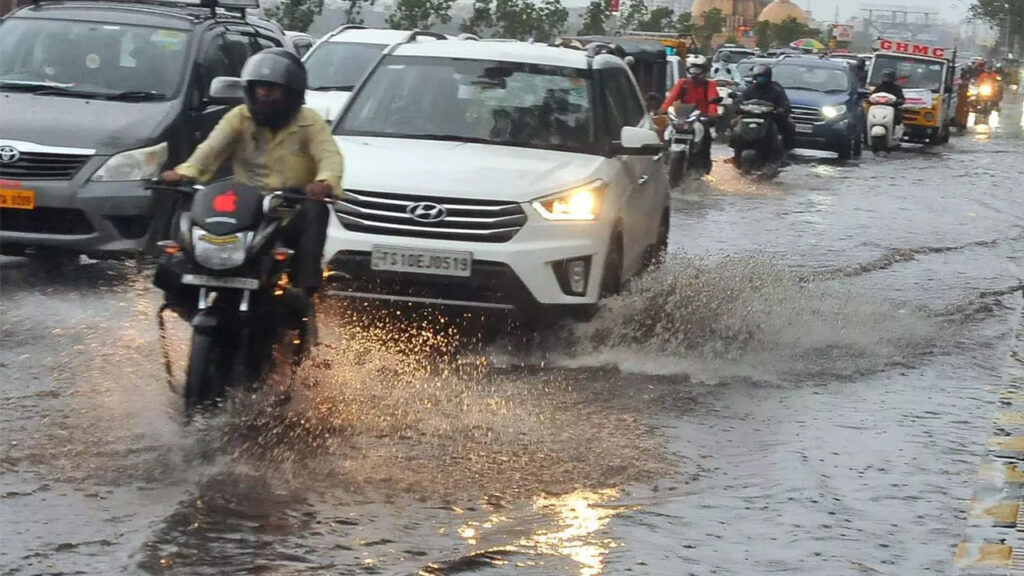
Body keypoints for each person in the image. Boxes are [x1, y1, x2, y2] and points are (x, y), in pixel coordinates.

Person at [160, 48, 343, 297]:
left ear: (291, 93)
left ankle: (304, 289)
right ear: (250, 89)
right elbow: (211, 149)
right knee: (186, 200)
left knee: (316, 211)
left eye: (273, 88)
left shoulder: (310, 122)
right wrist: (184, 173)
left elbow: (329, 156)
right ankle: (178, 277)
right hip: (246, 212)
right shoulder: (238, 117)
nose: (265, 94)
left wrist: (324, 183)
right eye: (260, 87)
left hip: (288, 212)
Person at [660, 54, 719, 173]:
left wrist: (711, 114)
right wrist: (662, 110)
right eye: (692, 70)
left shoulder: (710, 84)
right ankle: (663, 157)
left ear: (704, 71)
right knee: (663, 130)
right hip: (682, 116)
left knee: (706, 136)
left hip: (701, 118)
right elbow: (671, 97)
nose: (695, 73)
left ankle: (703, 166)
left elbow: (712, 99)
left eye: (698, 70)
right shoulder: (683, 83)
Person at [737, 64, 795, 154]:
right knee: (734, 124)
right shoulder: (749, 89)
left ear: (768, 77)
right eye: (758, 77)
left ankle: (786, 149)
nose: (760, 79)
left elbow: (785, 104)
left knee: (789, 125)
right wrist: (738, 106)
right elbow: (741, 101)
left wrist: (782, 109)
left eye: (762, 77)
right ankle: (736, 147)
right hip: (750, 116)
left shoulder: (776, 90)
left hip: (771, 117)